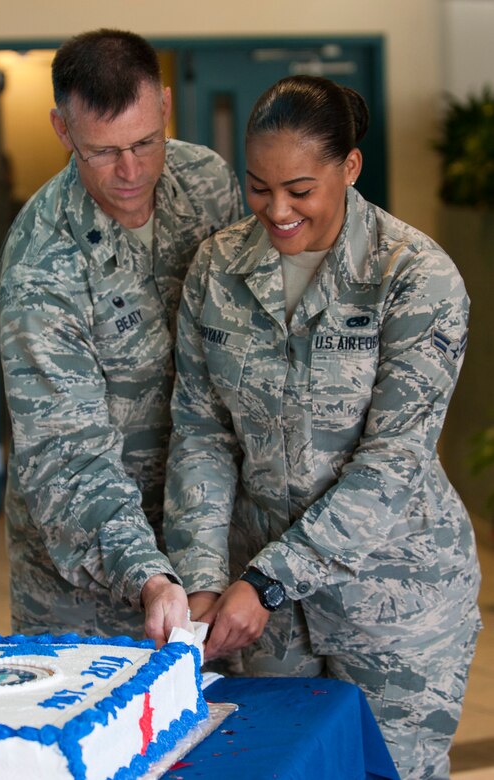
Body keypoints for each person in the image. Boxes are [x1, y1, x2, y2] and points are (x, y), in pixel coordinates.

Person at [164, 74, 481, 778]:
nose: (276, 211)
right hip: (262, 613)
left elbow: (391, 461)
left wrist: (269, 580)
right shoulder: (218, 267)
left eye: (299, 190)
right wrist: (202, 577)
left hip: (395, 602)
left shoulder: (413, 275)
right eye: (257, 187)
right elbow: (201, 431)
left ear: (350, 167)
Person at [0, 29, 243, 648]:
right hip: (86, 577)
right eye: (103, 152)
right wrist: (148, 575)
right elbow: (65, 455)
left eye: (144, 143)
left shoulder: (207, 183)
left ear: (164, 104)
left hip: (206, 536)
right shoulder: (40, 263)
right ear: (62, 129)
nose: (131, 172)